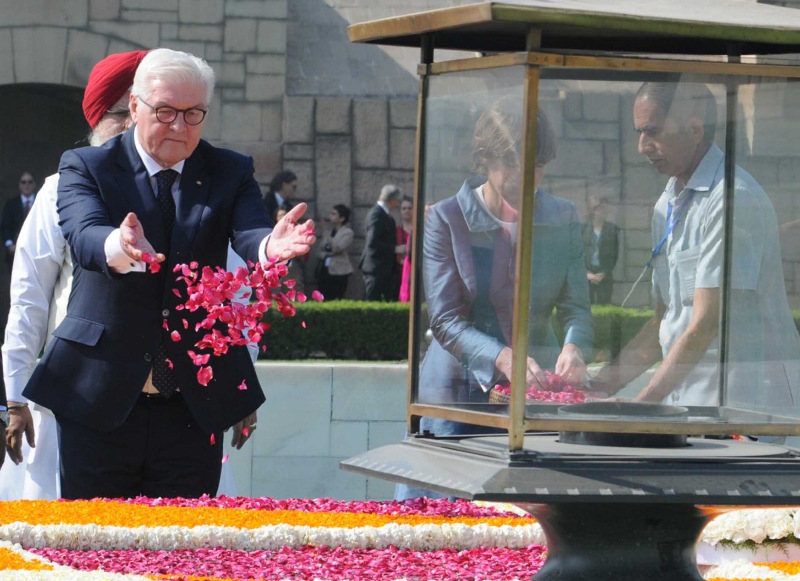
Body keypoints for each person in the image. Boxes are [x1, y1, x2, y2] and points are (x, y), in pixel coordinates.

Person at [21, 48, 315, 500]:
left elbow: (251, 233)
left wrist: (269, 250)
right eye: (165, 112)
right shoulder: (87, 166)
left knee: (183, 547)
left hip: (191, 405)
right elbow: (84, 235)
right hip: (99, 397)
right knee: (95, 547)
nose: (179, 126)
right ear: (135, 107)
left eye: (193, 113)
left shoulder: (229, 170)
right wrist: (118, 246)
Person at [396, 102, 593, 499]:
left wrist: (574, 345)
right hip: (456, 399)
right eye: (517, 169)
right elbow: (446, 320)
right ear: (485, 159)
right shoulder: (446, 218)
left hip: (536, 398)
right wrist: (504, 358)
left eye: (538, 169)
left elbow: (577, 307)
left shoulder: (563, 215)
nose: (528, 183)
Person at [593, 82, 800, 410]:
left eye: (651, 131)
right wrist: (596, 387)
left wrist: (642, 404)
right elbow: (664, 321)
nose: (641, 146)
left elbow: (705, 323)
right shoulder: (667, 204)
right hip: (691, 409)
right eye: (638, 132)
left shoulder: (733, 199)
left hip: (750, 413)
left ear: (694, 129)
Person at [0, 50, 147, 500]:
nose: (133, 124)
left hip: (171, 411)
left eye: (145, 112)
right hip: (77, 399)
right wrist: (16, 396)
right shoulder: (60, 189)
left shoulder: (190, 188)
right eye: (125, 112)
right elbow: (30, 297)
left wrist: (239, 387)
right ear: (101, 119)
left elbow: (229, 294)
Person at [360, 184, 402, 301]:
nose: (398, 204)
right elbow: (372, 242)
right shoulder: (376, 214)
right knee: (371, 302)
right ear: (392, 200)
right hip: (375, 268)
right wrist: (395, 249)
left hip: (383, 268)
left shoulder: (385, 215)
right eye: (398, 201)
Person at [582, 195, 619, 305]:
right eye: (600, 208)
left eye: (605, 208)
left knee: (604, 304)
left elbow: (615, 254)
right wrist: (586, 273)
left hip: (604, 275)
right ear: (593, 210)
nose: (603, 211)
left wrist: (604, 273)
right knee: (586, 305)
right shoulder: (583, 229)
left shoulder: (612, 229)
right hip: (586, 275)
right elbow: (577, 253)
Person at [316, 204, 354, 300]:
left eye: (334, 214)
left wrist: (324, 232)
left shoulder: (347, 233)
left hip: (339, 271)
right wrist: (327, 255)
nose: (330, 216)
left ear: (341, 218)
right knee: (322, 297)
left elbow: (336, 249)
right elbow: (319, 251)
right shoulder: (328, 232)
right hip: (324, 270)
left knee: (336, 297)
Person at [1, 172, 36, 271]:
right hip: (15, 253)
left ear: (34, 185)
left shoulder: (40, 202)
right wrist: (9, 245)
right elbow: (5, 227)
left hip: (37, 253)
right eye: (23, 182)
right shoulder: (11, 204)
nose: (27, 185)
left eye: (30, 182)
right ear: (19, 185)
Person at [397, 196, 413, 302]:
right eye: (404, 208)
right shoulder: (395, 230)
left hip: (412, 269)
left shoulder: (419, 229)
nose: (407, 211)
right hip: (397, 271)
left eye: (410, 208)